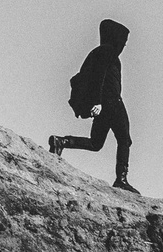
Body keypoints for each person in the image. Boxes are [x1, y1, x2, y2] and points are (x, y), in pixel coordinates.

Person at [49, 18, 136, 193]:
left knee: (96, 143)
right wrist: (98, 102)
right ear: (115, 38)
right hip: (112, 103)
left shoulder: (97, 52)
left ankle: (61, 142)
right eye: (123, 42)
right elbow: (98, 78)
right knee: (124, 140)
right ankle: (121, 179)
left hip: (103, 105)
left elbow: (91, 77)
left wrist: (97, 103)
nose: (123, 46)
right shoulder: (109, 52)